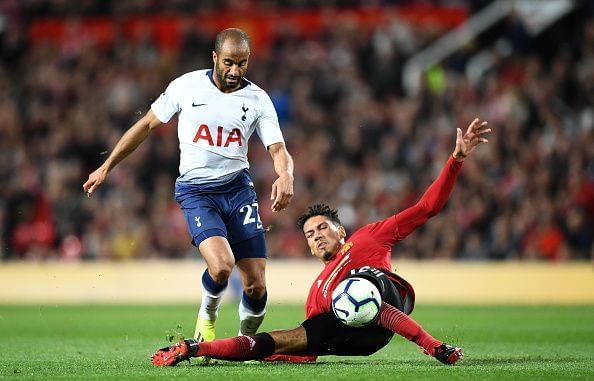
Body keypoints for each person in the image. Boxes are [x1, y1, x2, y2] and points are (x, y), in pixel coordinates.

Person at [151, 118, 491, 367]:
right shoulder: (318, 292)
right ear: (311, 250)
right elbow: (308, 352)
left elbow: (426, 208)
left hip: (385, 308)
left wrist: (456, 159)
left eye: (322, 228)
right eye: (310, 236)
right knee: (273, 339)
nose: (316, 236)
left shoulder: (368, 238)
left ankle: (434, 346)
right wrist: (268, 353)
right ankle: (193, 349)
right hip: (351, 338)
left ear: (340, 230)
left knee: (361, 285)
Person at [83, 28, 294, 344]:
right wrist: (107, 166)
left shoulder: (258, 99)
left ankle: (245, 343)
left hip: (238, 189)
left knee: (255, 284)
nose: (235, 71)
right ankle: (207, 316)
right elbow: (145, 126)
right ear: (214, 58)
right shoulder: (186, 87)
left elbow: (278, 149)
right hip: (197, 192)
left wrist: (286, 175)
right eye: (228, 63)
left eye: (242, 63)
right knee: (222, 266)